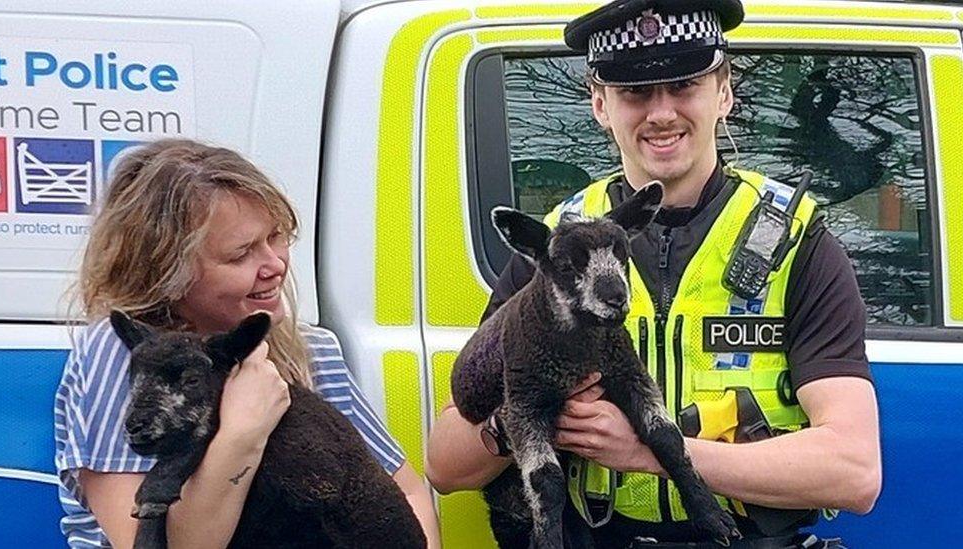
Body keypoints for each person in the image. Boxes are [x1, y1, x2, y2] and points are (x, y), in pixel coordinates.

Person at [426, 0, 881, 546]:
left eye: (684, 85)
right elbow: (445, 465)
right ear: (600, 104)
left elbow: (855, 472)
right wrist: (523, 421)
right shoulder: (553, 249)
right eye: (635, 93)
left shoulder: (796, 242)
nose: (660, 113)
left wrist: (645, 451)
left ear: (724, 93)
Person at [53, 138, 441, 548]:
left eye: (276, 237)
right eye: (241, 255)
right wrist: (242, 433)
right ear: (169, 273)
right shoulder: (124, 353)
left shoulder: (309, 348)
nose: (275, 265)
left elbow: (407, 492)